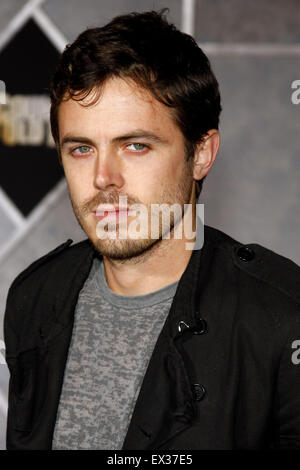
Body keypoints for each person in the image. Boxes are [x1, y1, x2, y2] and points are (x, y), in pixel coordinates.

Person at [4, 9, 300, 450]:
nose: (104, 176)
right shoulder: (34, 299)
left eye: (136, 145)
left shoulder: (280, 317)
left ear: (201, 153)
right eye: (82, 148)